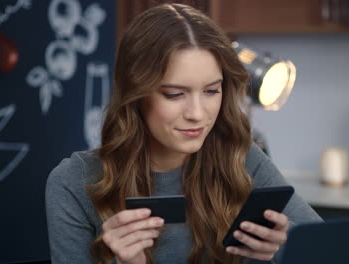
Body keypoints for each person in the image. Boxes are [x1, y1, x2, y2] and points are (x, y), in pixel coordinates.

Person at [45, 3, 321, 264]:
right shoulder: (74, 183)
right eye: (175, 94)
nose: (197, 113)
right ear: (136, 96)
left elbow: (330, 249)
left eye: (212, 90)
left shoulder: (241, 158)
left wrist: (285, 246)